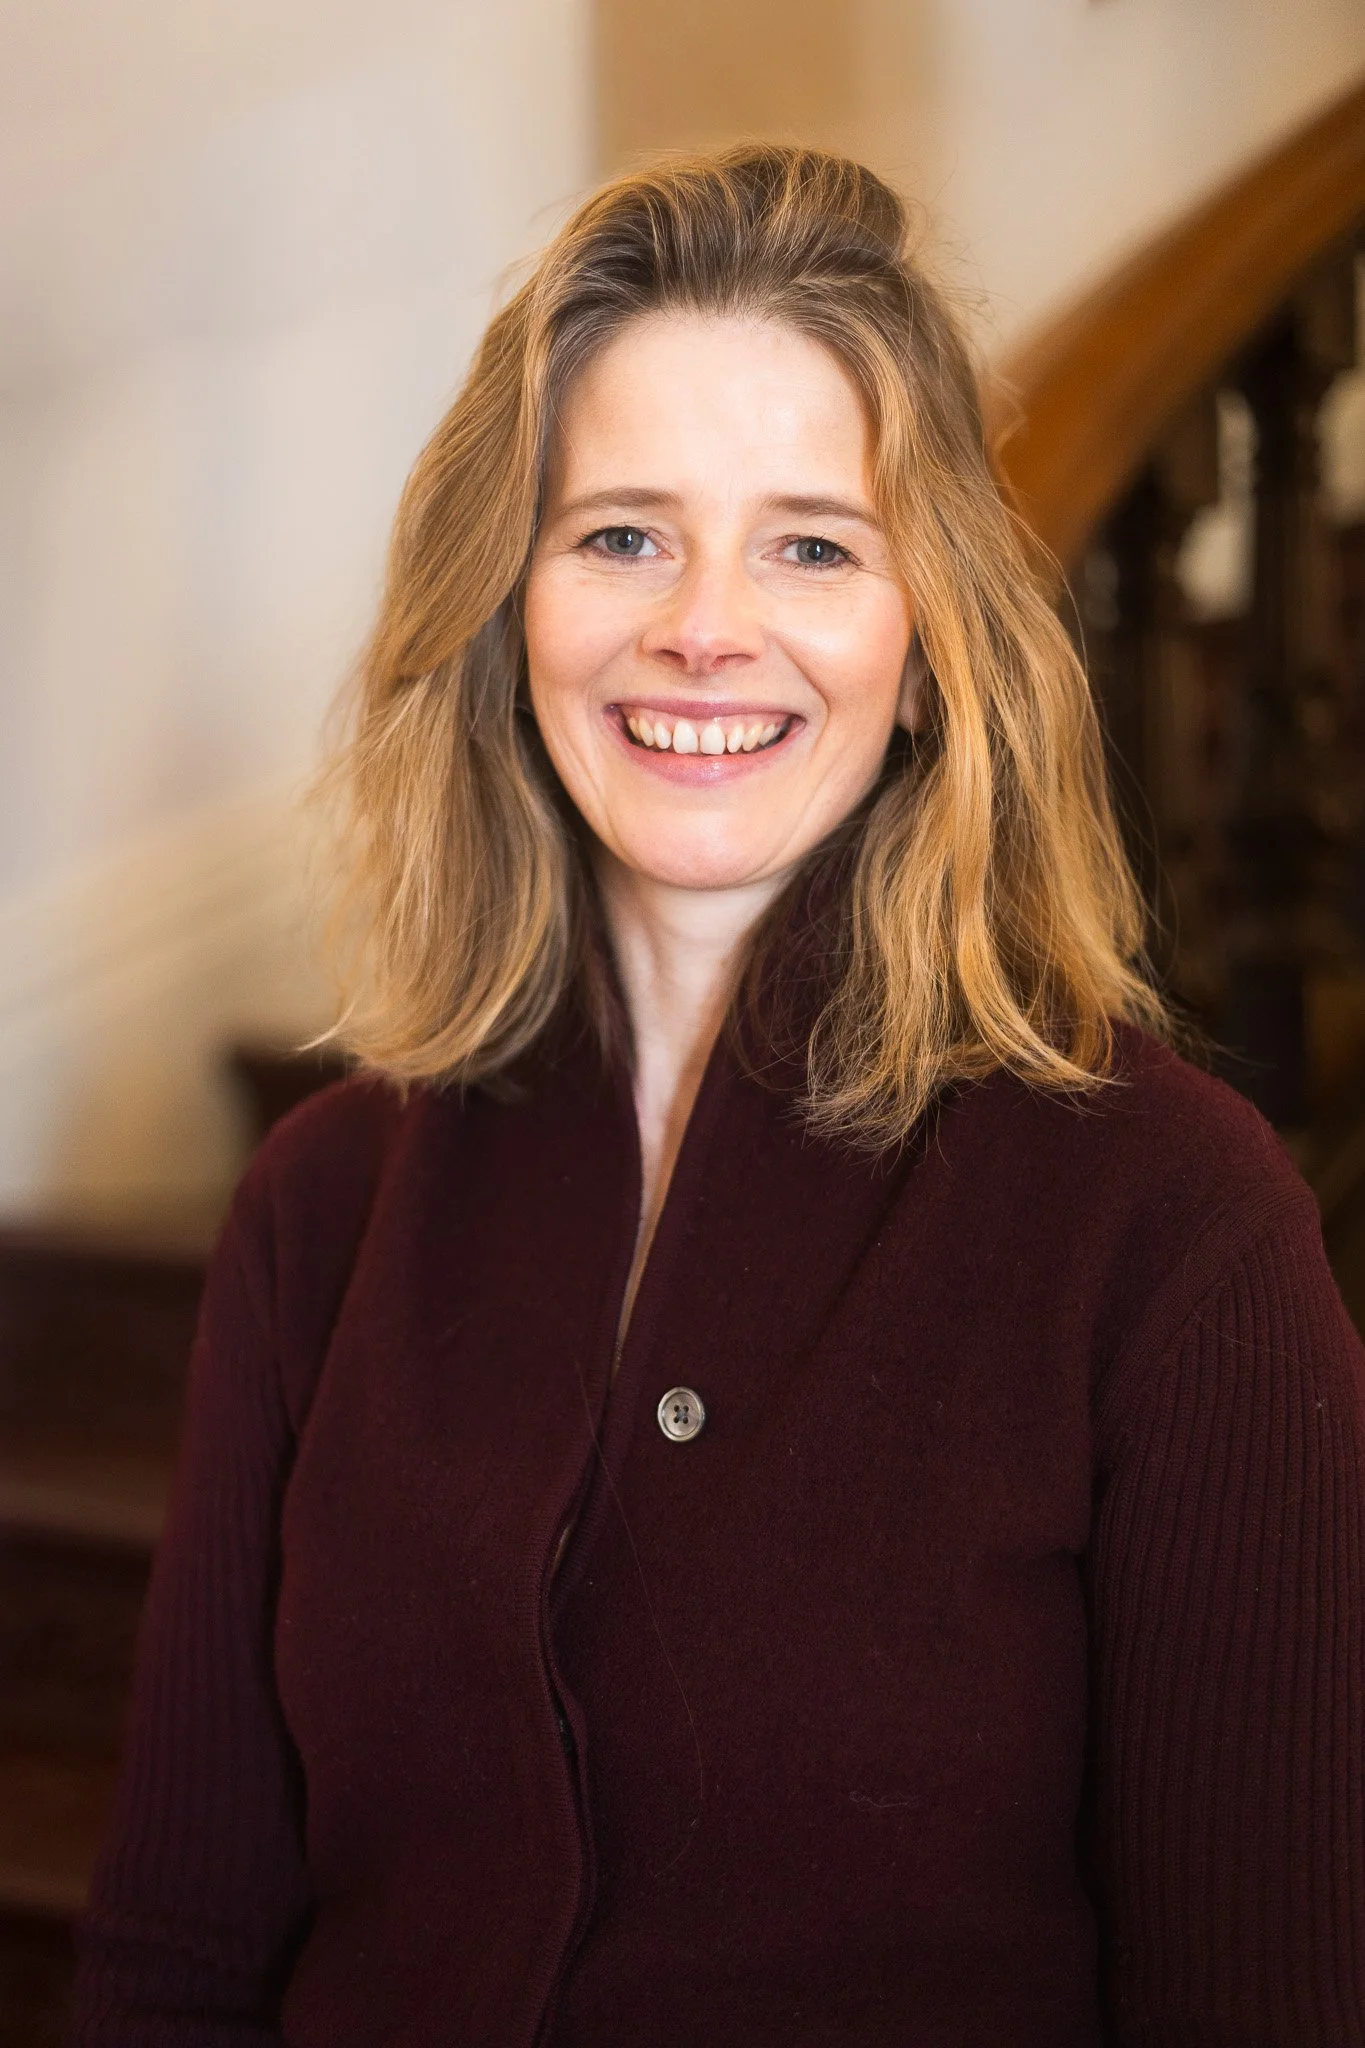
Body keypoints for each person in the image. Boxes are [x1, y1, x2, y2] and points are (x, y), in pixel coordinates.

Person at [71, 147, 1365, 2047]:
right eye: (622, 534)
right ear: (510, 614)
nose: (704, 623)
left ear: (929, 655)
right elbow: (178, 1960)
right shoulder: (320, 1205)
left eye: (812, 544)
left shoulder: (1173, 1224)